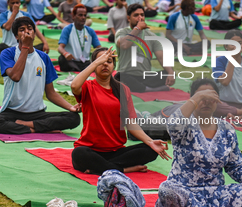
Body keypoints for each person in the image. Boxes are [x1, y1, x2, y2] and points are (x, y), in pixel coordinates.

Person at [156, 78, 242, 207]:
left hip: (217, 195)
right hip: (184, 191)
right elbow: (172, 125)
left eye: (211, 97)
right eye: (202, 97)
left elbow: (235, 167)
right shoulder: (185, 124)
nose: (206, 102)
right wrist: (196, 98)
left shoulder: (227, 129)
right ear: (193, 99)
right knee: (167, 190)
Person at [70, 46, 171, 175]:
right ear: (94, 65)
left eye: (109, 61)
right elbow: (74, 85)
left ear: (114, 66)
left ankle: (102, 168)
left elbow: (131, 124)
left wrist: (151, 142)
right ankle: (123, 169)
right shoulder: (88, 87)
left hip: (116, 152)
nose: (105, 64)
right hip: (90, 150)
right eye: (101, 61)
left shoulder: (122, 90)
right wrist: (97, 61)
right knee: (79, 154)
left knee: (150, 150)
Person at [0, 17, 80, 135]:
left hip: (37, 113)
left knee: (74, 118)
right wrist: (25, 47)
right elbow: (15, 76)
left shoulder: (44, 58)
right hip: (13, 112)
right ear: (16, 36)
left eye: (29, 29)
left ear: (34, 34)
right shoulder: (8, 53)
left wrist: (71, 107)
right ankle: (38, 128)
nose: (26, 32)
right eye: (22, 29)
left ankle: (26, 126)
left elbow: (51, 93)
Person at [114, 3, 175, 93]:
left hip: (144, 76)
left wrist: (171, 73)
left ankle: (142, 87)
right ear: (128, 18)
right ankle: (147, 89)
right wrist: (137, 28)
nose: (140, 18)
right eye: (136, 15)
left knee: (166, 73)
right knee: (120, 77)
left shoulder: (151, 36)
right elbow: (124, 45)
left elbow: (161, 57)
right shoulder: (122, 32)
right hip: (126, 74)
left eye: (142, 15)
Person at [57, 4, 101, 72]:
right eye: (80, 15)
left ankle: (81, 70)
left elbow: (99, 48)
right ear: (73, 16)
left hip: (86, 62)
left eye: (84, 15)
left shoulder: (90, 31)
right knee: (62, 59)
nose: (83, 17)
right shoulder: (67, 29)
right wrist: (66, 54)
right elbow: (60, 47)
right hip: (72, 61)